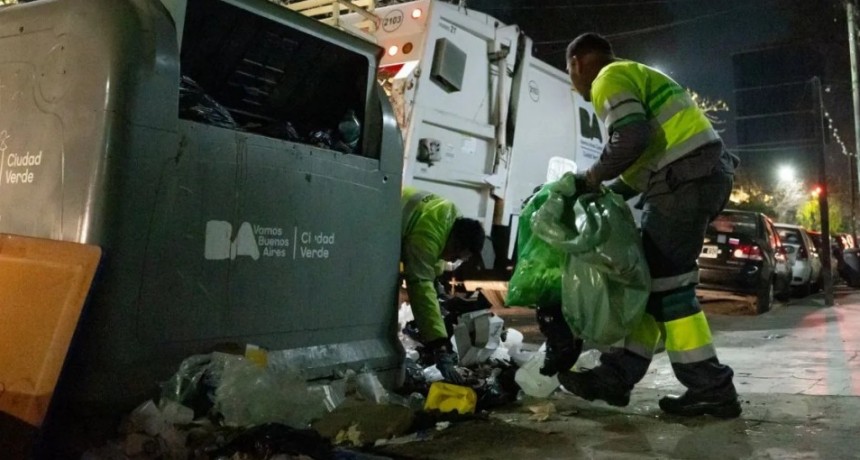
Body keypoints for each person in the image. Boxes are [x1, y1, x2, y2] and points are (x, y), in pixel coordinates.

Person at [559, 32, 742, 418]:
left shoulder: (608, 79)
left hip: (685, 180)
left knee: (671, 289)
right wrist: (609, 192)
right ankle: (616, 378)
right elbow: (643, 157)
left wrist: (590, 179)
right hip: (697, 175)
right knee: (651, 282)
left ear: (576, 63)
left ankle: (710, 387)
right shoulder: (633, 73)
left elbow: (630, 136)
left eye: (568, 71)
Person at [401, 186, 486, 384]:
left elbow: (436, 256)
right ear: (456, 245)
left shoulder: (449, 217)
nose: (452, 259)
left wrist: (437, 283)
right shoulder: (426, 237)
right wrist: (439, 345)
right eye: (455, 256)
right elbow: (420, 286)